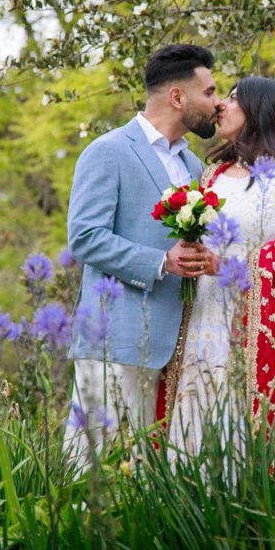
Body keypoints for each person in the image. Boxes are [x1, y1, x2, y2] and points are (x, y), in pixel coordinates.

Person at [62, 44, 221, 472]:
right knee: (93, 474)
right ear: (177, 97)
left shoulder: (192, 165)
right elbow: (85, 237)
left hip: (175, 351)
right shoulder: (108, 151)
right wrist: (160, 263)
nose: (217, 102)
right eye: (208, 92)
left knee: (146, 483)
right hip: (115, 339)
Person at [160, 75, 275, 462]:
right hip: (202, 319)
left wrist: (227, 265)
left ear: (259, 110)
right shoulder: (211, 176)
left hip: (257, 324)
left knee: (245, 438)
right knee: (195, 421)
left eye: (233, 99)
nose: (221, 106)